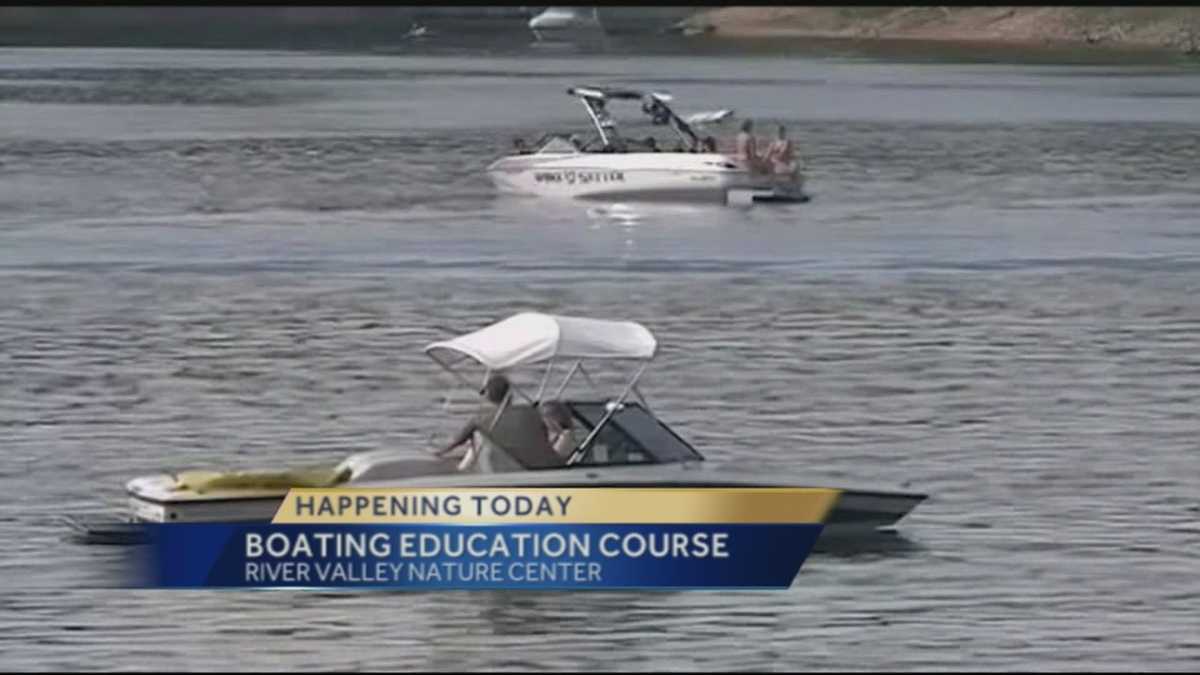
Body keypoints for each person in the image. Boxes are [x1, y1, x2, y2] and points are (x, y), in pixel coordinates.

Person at [431, 374, 562, 472]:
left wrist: (439, 452)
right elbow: (544, 438)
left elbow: (455, 443)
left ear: (487, 396)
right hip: (551, 465)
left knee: (479, 437)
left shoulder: (481, 420)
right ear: (510, 395)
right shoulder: (532, 412)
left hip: (523, 471)